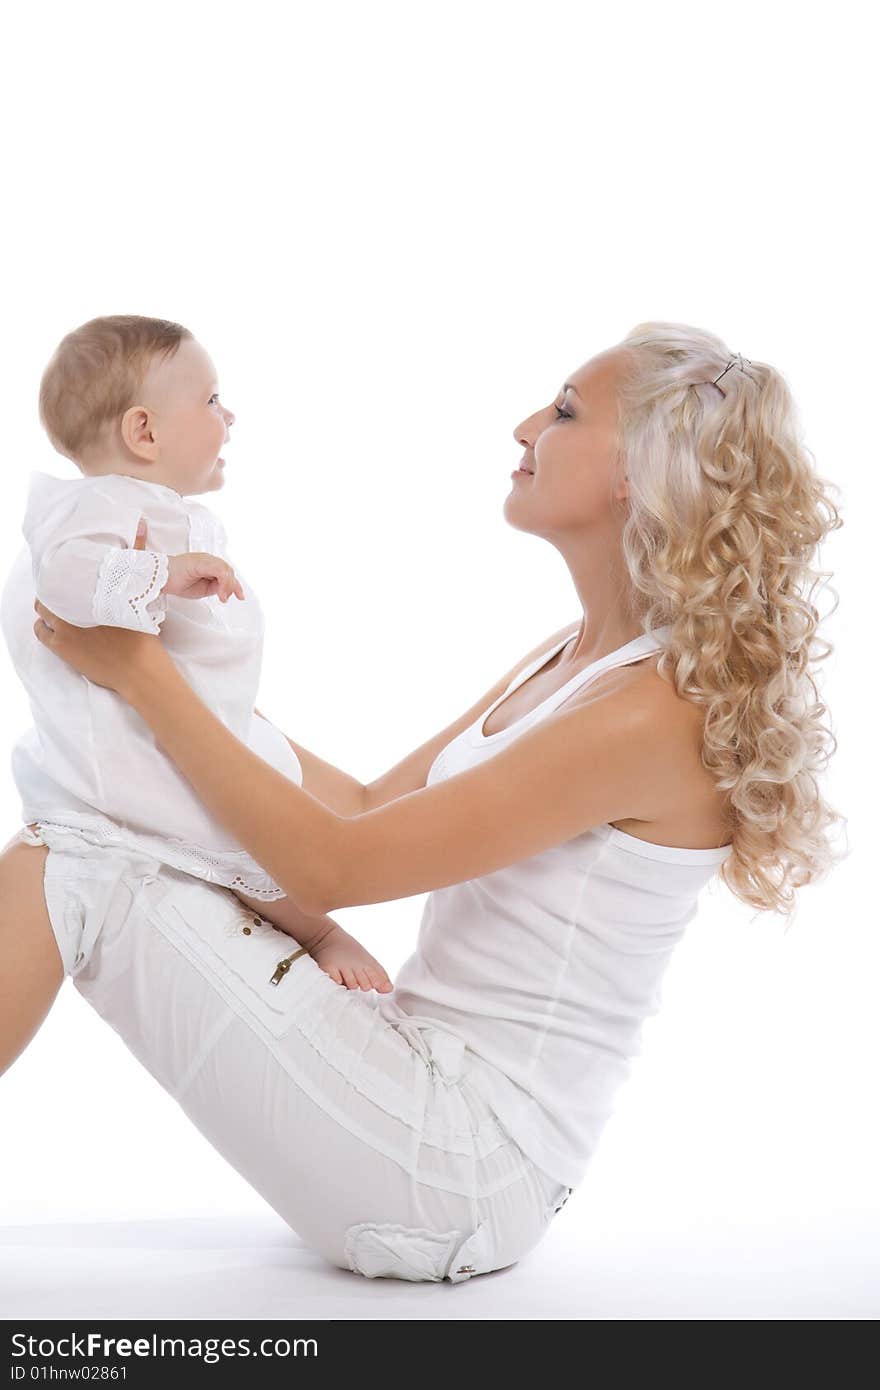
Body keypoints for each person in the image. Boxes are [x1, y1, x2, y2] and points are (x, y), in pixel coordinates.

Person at [0, 322, 844, 1284]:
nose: (524, 425)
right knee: (81, 832)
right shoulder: (570, 659)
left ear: (638, 475)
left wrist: (146, 680)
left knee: (71, 854)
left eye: (564, 411)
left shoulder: (649, 712)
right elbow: (358, 804)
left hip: (463, 1166)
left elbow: (336, 869)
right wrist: (151, 698)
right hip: (415, 1083)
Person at [1, 315, 393, 994]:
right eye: (212, 401)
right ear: (144, 432)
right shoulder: (95, 506)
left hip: (169, 726)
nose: (230, 415)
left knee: (253, 807)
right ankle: (318, 928)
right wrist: (159, 574)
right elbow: (67, 578)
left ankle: (307, 918)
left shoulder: (137, 505)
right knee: (237, 833)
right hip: (123, 755)